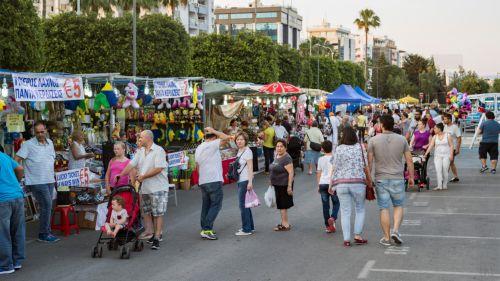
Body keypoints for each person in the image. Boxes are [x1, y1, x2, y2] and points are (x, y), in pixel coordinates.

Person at [117, 130, 169, 250]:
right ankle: (152, 234)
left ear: (148, 138)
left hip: (158, 187)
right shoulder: (140, 151)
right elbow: (131, 164)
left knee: (157, 213)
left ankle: (157, 237)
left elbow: (159, 168)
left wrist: (143, 176)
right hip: (145, 188)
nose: (139, 139)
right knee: (147, 212)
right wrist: (121, 174)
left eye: (141, 137)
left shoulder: (158, 150)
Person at [368, 115, 414, 247]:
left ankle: (387, 237)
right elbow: (409, 160)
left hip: (381, 178)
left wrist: (369, 178)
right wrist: (411, 176)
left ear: (381, 125)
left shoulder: (373, 140)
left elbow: (369, 162)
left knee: (384, 208)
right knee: (398, 206)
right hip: (397, 178)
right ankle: (396, 230)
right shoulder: (402, 140)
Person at [15, 121, 59, 243]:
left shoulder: (50, 143)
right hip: (36, 181)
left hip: (49, 179)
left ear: (46, 131)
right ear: (34, 132)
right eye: (37, 132)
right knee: (47, 205)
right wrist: (17, 174)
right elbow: (16, 159)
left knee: (48, 206)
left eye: (42, 132)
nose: (40, 134)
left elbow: (51, 159)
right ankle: (43, 233)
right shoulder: (28, 144)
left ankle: (46, 230)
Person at [330, 127, 371, 247]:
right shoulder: (360, 147)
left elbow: (334, 166)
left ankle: (346, 239)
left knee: (345, 211)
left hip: (341, 183)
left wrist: (331, 183)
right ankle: (357, 235)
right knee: (360, 208)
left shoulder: (339, 148)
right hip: (358, 182)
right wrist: (369, 180)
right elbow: (365, 166)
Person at [194, 127, 230, 240]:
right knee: (216, 205)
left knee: (206, 205)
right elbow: (226, 137)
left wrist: (202, 178)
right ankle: (207, 229)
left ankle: (204, 228)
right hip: (213, 179)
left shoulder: (199, 147)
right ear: (214, 138)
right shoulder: (213, 144)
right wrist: (214, 130)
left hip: (204, 180)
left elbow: (197, 166)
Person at [0, 151, 25, 274]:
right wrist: (14, 182)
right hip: (17, 195)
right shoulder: (4, 156)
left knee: (3, 233)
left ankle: (5, 266)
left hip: (2, 199)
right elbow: (20, 168)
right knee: (17, 230)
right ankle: (17, 261)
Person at [270, 140, 294, 231]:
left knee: (283, 205)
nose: (279, 148)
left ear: (285, 148)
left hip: (283, 184)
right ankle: (284, 222)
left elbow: (291, 172)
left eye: (281, 146)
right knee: (280, 205)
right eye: (277, 146)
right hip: (277, 184)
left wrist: (289, 186)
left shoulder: (287, 158)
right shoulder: (277, 156)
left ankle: (285, 224)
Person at [234, 132, 255, 236]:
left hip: (245, 180)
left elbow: (251, 168)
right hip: (241, 180)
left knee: (243, 205)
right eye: (237, 139)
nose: (239, 141)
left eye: (241, 139)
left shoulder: (247, 151)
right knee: (246, 204)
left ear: (245, 140)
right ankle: (250, 226)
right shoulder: (240, 150)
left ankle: (246, 229)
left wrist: (250, 182)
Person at [316, 141, 339, 233]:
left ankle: (327, 226)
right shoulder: (335, 158)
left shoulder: (320, 159)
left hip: (322, 183)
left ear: (322, 149)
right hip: (332, 183)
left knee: (325, 206)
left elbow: (319, 173)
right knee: (336, 202)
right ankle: (333, 217)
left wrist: (318, 185)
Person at [424, 123, 454, 190]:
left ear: (439, 129)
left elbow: (451, 145)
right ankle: (439, 185)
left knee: (445, 170)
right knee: (438, 170)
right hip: (437, 156)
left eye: (435, 128)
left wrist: (451, 155)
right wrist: (426, 154)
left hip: (446, 155)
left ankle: (445, 184)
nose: (434, 129)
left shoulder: (447, 135)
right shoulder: (435, 136)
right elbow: (431, 146)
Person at [443, 113, 462, 182]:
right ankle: (456, 176)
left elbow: (459, 138)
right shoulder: (444, 127)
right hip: (445, 148)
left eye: (445, 119)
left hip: (452, 148)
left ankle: (444, 178)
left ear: (449, 119)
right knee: (451, 163)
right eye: (443, 119)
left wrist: (457, 148)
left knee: (448, 162)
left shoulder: (455, 127)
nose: (444, 121)